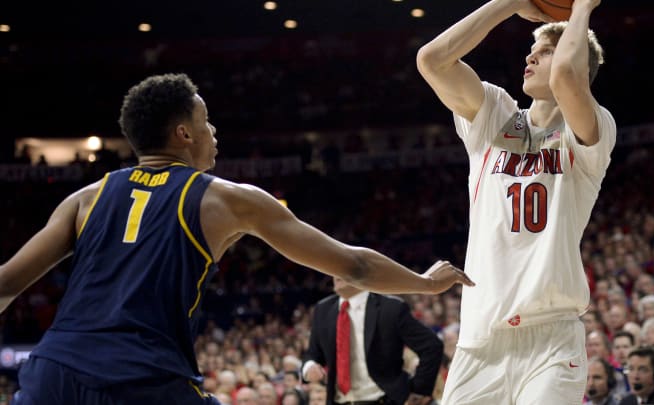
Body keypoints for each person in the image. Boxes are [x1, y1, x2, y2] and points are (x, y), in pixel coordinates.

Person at [0, 73, 473, 405]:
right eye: (206, 121)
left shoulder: (85, 198)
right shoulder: (225, 199)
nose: (214, 130)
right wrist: (426, 284)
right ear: (184, 133)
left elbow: (5, 285)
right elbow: (354, 266)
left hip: (53, 374)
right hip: (144, 378)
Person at [415, 0, 616, 402]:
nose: (531, 55)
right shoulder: (495, 114)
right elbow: (432, 60)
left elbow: (566, 79)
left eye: (544, 50)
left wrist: (580, 8)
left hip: (551, 338)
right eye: (533, 49)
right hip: (481, 339)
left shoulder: (593, 128)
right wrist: (509, 3)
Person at [303, 277, 442, 405]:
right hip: (339, 400)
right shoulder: (323, 309)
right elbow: (313, 353)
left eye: (343, 266)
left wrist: (420, 390)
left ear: (363, 272)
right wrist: (309, 366)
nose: (337, 273)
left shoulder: (391, 308)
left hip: (383, 399)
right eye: (334, 269)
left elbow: (431, 346)